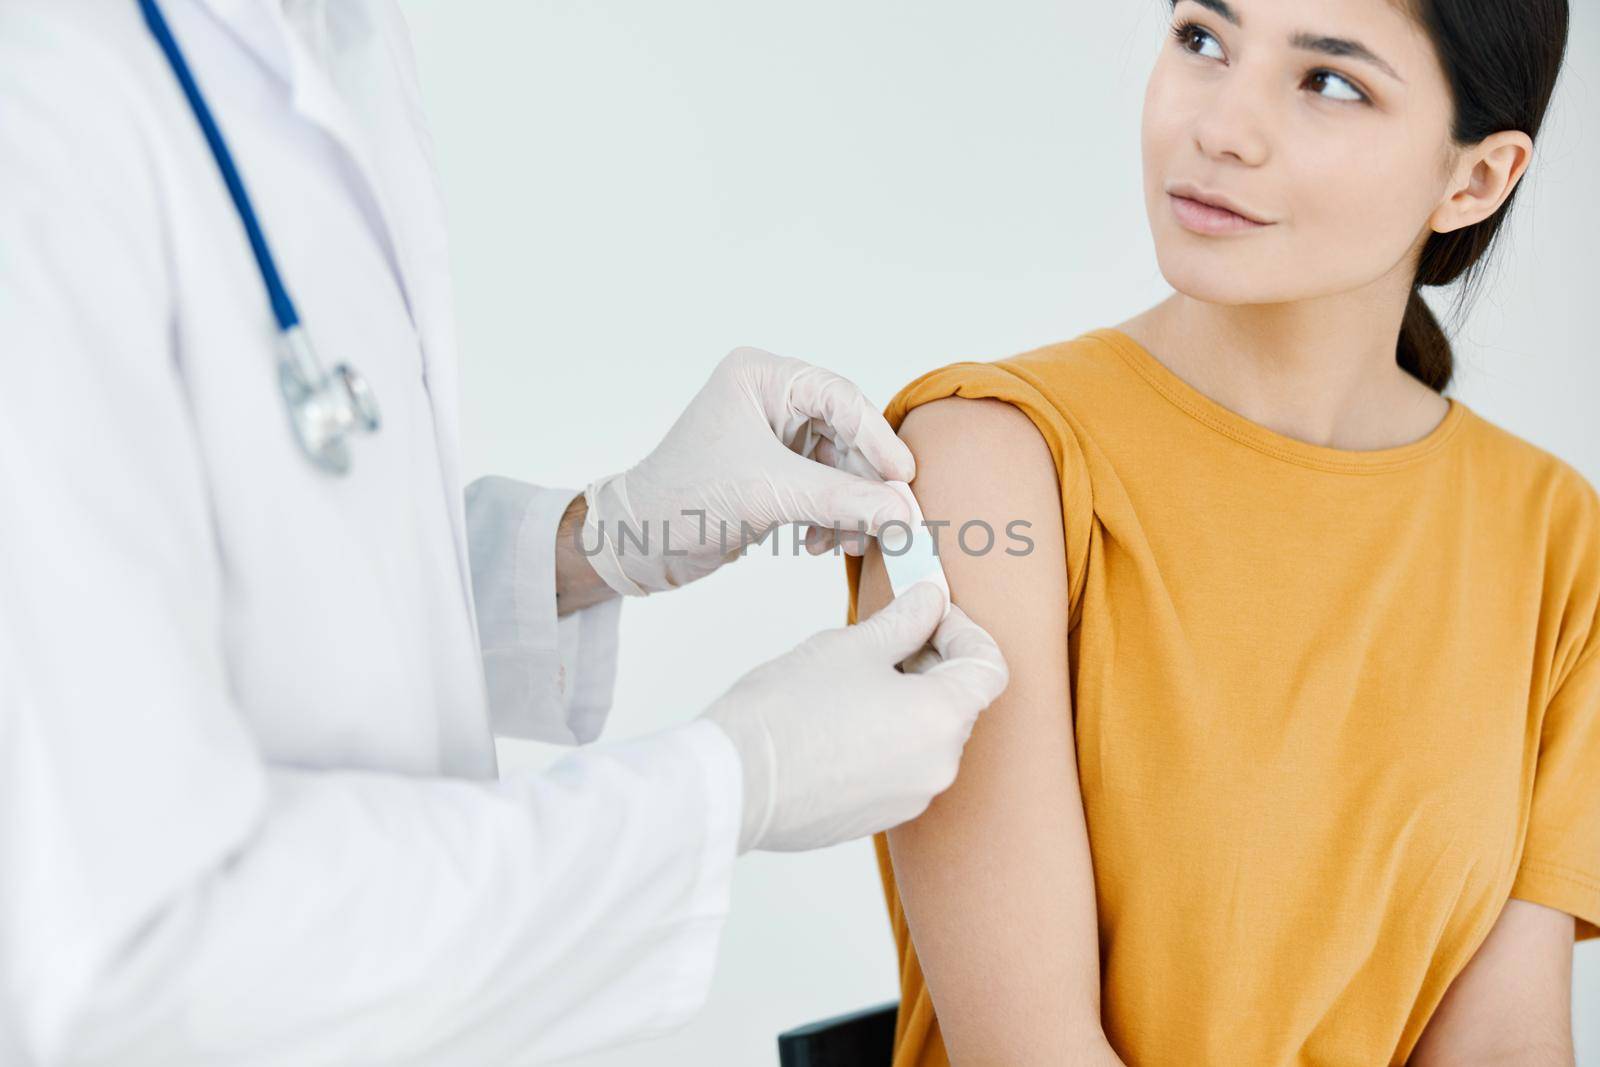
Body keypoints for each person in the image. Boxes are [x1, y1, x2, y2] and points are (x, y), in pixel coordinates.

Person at [0, 1, 1012, 1064]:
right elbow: (137, 956)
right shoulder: (44, 117)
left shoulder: (348, 39)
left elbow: (273, 607)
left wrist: (587, 544)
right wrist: (729, 784)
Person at [846, 0, 1594, 1063]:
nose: (1220, 128)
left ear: (1472, 180)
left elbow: (1503, 1043)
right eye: (1203, 39)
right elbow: (1028, 1049)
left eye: (1328, 81)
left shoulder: (1554, 540)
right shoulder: (989, 465)